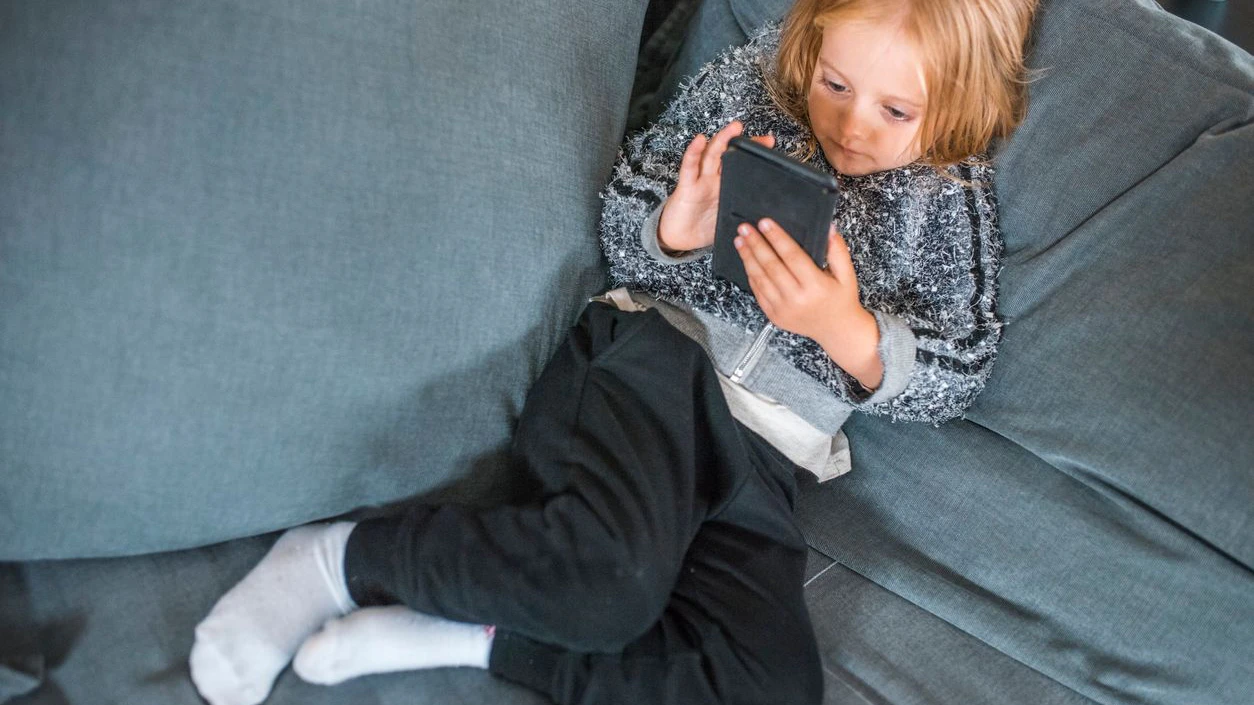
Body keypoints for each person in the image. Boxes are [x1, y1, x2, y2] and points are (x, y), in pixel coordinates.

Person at [188, 0, 1038, 703]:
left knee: (771, 687)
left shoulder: (950, 198)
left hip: (767, 457)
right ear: (809, 44)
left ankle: (483, 639)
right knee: (611, 583)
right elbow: (626, 204)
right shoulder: (751, 88)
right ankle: (338, 559)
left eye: (896, 111)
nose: (851, 125)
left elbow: (959, 371)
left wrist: (849, 334)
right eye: (835, 83)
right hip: (654, 364)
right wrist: (673, 228)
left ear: (960, 106)